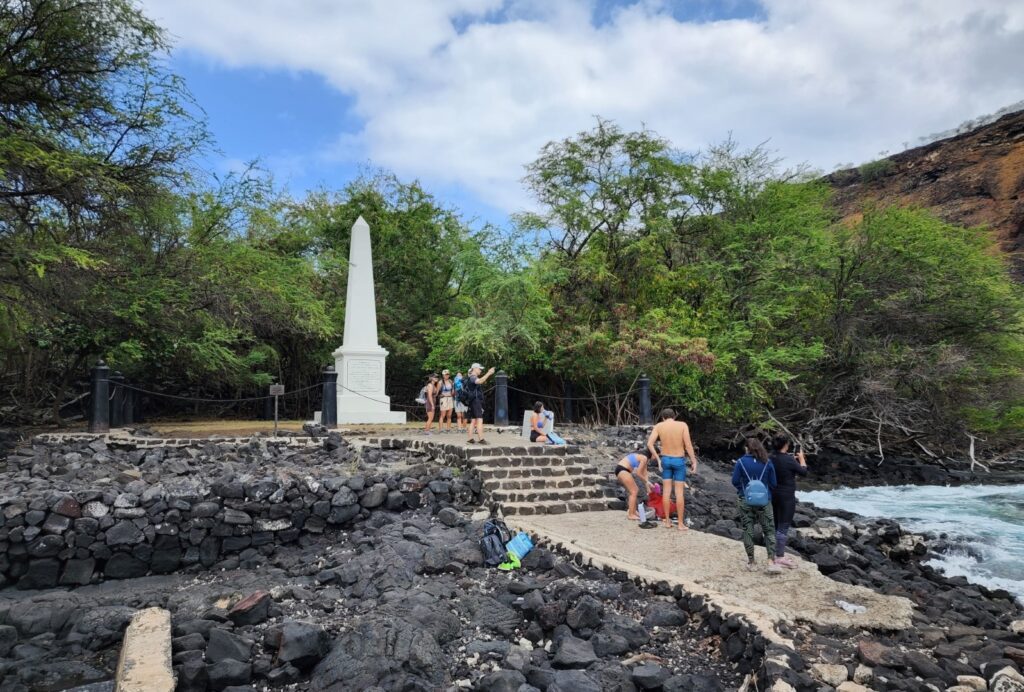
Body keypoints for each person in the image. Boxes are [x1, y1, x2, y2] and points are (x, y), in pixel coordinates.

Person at [731, 437, 781, 573]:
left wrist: (744, 491)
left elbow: (735, 481)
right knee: (769, 530)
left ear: (747, 448)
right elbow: (774, 483)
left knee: (748, 530)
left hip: (745, 500)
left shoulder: (740, 462)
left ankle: (751, 562)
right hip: (765, 502)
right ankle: (770, 561)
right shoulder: (767, 462)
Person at [647, 408, 698, 531]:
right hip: (678, 460)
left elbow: (649, 444)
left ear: (663, 418)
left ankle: (668, 522)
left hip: (665, 460)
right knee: (679, 493)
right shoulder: (682, 425)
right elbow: (688, 445)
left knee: (666, 492)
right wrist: (693, 461)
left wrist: (658, 458)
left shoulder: (659, 426)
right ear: (674, 416)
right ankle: (680, 524)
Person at [770, 434, 808, 568]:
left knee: (775, 525)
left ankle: (773, 553)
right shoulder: (788, 460)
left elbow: (780, 465)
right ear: (786, 445)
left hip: (773, 494)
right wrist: (802, 459)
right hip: (786, 496)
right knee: (783, 526)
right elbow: (803, 472)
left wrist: (792, 460)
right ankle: (779, 556)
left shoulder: (770, 457)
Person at [614, 450, 657, 527]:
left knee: (634, 491)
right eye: (656, 455)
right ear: (653, 454)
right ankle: (631, 514)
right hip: (623, 469)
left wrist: (648, 488)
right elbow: (638, 473)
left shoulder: (643, 458)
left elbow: (645, 474)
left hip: (621, 469)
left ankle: (633, 511)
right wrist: (647, 482)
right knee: (634, 491)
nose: (656, 457)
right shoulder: (644, 458)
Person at [465, 363, 496, 444]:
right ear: (474, 369)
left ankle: (470, 439)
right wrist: (489, 373)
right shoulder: (472, 377)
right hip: (475, 401)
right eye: (479, 369)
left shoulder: (470, 377)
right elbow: (480, 381)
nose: (480, 370)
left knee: (473, 420)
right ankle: (481, 439)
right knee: (479, 419)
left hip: (472, 401)